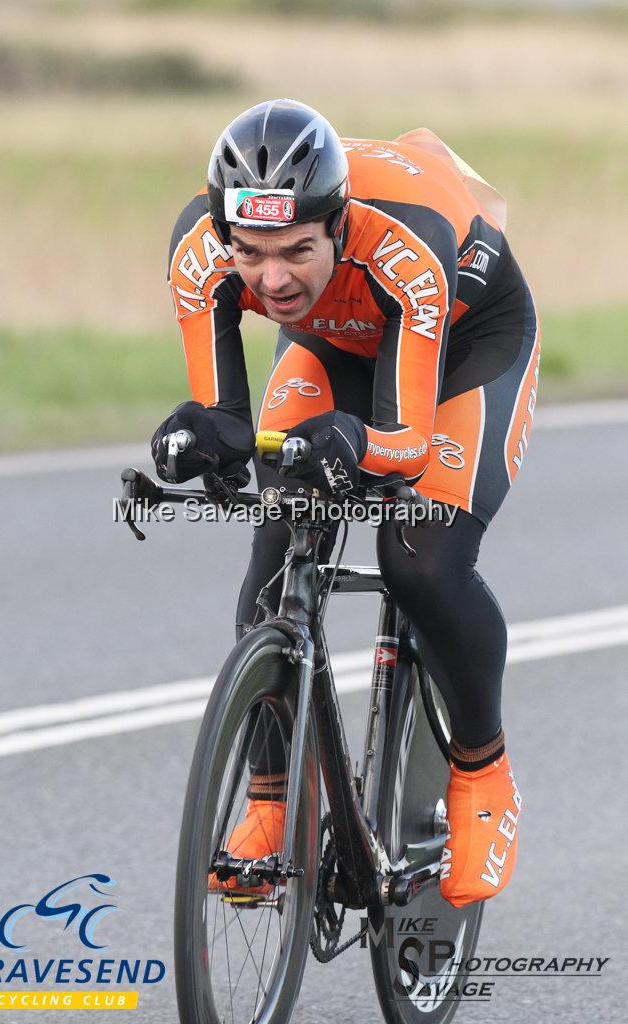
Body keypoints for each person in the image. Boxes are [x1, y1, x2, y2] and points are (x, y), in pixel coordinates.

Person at [152, 99, 538, 908]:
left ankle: (481, 772)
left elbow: (400, 443)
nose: (274, 278)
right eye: (251, 254)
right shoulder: (198, 249)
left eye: (297, 250)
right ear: (224, 231)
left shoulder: (402, 242)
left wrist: (352, 442)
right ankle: (269, 800)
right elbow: (224, 417)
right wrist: (199, 440)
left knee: (420, 557)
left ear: (338, 225)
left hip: (468, 346)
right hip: (337, 344)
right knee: (274, 557)